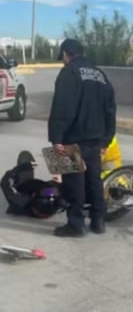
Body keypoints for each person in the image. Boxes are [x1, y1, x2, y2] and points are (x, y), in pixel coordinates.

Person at [48, 38, 116, 237]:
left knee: (73, 181)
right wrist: (106, 139)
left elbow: (62, 108)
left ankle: (76, 224)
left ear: (66, 54)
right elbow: (111, 110)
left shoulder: (69, 73)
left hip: (73, 136)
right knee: (94, 180)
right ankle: (98, 221)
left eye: (63, 57)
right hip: (96, 138)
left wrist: (56, 138)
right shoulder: (100, 75)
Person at [1, 151, 65, 218]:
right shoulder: (51, 194)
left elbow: (4, 184)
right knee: (62, 187)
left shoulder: (22, 201)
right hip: (42, 197)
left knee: (25, 156)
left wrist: (17, 169)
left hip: (24, 188)